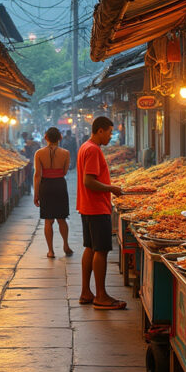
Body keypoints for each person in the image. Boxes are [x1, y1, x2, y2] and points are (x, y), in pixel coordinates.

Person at [76, 116, 125, 310]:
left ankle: (86, 292)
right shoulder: (94, 150)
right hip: (96, 207)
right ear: (100, 131)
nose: (111, 137)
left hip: (87, 206)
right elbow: (89, 181)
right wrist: (111, 188)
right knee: (101, 250)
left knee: (90, 247)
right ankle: (101, 295)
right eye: (110, 132)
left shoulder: (84, 147)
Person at [34, 127, 72, 258]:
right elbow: (65, 171)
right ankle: (66, 245)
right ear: (60, 138)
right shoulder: (65, 153)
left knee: (48, 220)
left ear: (46, 138)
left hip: (46, 186)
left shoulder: (39, 153)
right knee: (62, 218)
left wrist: (36, 194)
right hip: (60, 185)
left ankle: (50, 251)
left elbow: (37, 175)